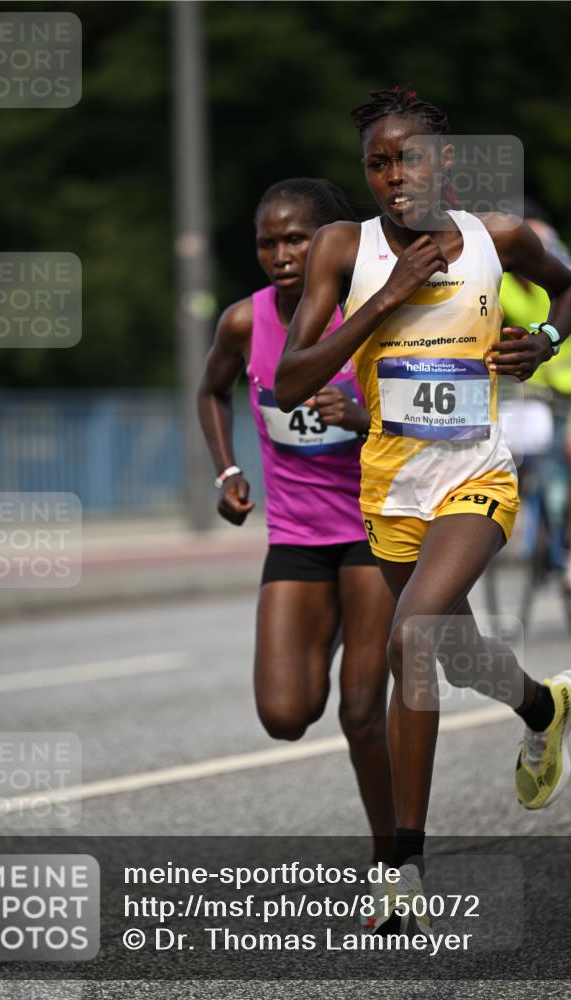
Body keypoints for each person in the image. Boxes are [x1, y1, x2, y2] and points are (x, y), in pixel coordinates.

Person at [274, 88, 571, 928]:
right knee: (450, 652)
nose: (392, 176)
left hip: (475, 476)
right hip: (390, 486)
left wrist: (545, 344)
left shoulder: (500, 238)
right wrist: (383, 299)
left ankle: (401, 864)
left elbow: (570, 291)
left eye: (407, 157)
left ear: (442, 161)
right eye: (376, 162)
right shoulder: (344, 247)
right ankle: (542, 705)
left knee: (411, 640)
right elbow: (291, 377)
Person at [197, 178, 396, 869]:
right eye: (267, 241)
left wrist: (369, 419)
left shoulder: (372, 310)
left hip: (375, 534)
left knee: (361, 713)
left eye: (296, 238)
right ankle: (338, 620)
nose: (281, 253)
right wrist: (226, 471)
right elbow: (210, 391)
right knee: (285, 716)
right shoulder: (244, 323)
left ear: (332, 241)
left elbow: (433, 412)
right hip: (298, 538)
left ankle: (393, 865)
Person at [500, 201, 571, 592]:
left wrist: (555, 255)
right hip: (542, 392)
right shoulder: (505, 283)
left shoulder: (562, 272)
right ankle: (525, 514)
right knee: (512, 445)